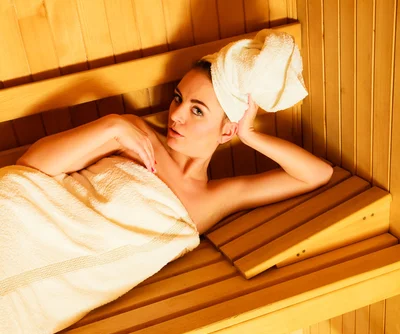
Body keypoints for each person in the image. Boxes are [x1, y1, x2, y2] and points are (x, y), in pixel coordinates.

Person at [16, 60, 333, 235]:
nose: (176, 114)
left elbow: (317, 174)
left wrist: (250, 135)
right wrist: (112, 124)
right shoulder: (134, 136)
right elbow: (31, 167)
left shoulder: (214, 199)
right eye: (178, 98)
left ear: (226, 131)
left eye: (197, 110)